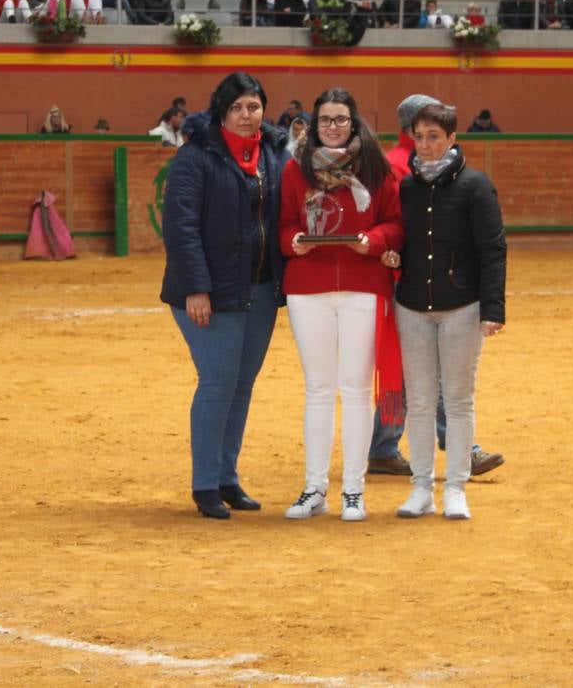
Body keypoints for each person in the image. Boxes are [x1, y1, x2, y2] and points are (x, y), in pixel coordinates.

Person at [161, 73, 285, 520]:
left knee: (241, 385)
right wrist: (196, 287)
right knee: (217, 383)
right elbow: (181, 227)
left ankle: (227, 476)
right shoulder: (196, 157)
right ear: (221, 110)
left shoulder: (272, 154)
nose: (247, 116)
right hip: (209, 292)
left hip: (262, 288)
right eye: (238, 108)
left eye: (254, 107)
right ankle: (205, 483)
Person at [279, 88, 403, 522]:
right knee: (317, 390)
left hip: (362, 286)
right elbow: (285, 223)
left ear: (354, 123)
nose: (333, 127)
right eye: (325, 120)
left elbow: (394, 222)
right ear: (314, 125)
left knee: (354, 391)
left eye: (341, 120)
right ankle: (315, 487)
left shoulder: (375, 168)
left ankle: (354, 488)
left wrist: (376, 241)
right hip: (308, 286)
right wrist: (292, 243)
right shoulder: (295, 170)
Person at [383, 102, 507, 521]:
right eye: (418, 137)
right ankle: (421, 488)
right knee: (418, 402)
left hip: (462, 307)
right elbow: (408, 241)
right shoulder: (408, 188)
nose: (425, 145)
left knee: (457, 400)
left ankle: (455, 487)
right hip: (414, 305)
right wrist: (394, 257)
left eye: (434, 136)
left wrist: (494, 308)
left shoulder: (476, 186)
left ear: (452, 139)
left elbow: (492, 251)